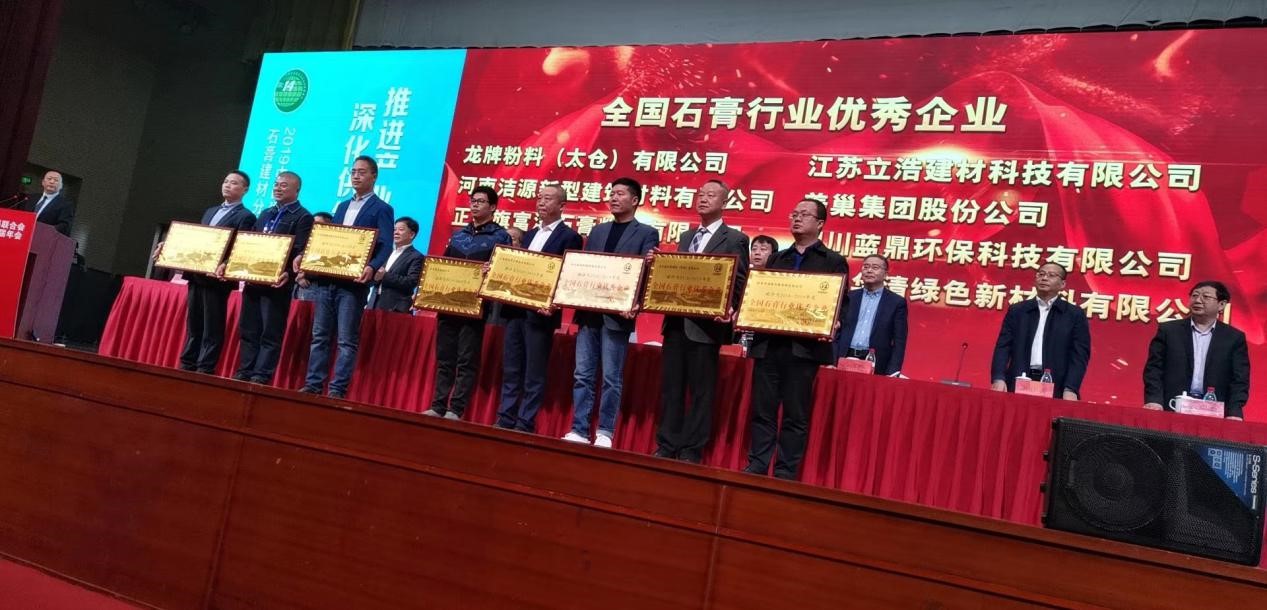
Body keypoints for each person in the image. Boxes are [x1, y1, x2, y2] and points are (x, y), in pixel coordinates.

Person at [744, 198, 847, 479]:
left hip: (804, 350)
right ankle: (757, 465)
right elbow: (762, 296)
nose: (797, 218)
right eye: (794, 213)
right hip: (769, 345)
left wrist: (834, 321)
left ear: (820, 224)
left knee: (795, 414)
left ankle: (785, 472)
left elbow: (841, 303)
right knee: (762, 410)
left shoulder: (833, 261)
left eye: (804, 214)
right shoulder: (778, 258)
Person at [654, 179, 749, 463]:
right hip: (676, 323)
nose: (703, 199)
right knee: (671, 387)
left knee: (700, 391)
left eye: (711, 195)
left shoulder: (735, 238)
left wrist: (731, 308)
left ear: (724, 203)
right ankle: (667, 444)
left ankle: (691, 449)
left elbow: (739, 279)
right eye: (701, 194)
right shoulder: (686, 236)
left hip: (706, 327)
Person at [562, 177, 659, 447]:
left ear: (635, 200)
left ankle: (605, 431)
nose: (613, 198)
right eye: (611, 193)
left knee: (611, 377)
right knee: (582, 373)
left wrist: (636, 304)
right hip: (590, 311)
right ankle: (579, 429)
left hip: (618, 315)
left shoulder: (646, 233)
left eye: (620, 194)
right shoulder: (598, 231)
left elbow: (646, 273)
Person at [298, 156, 394, 399]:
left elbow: (385, 244)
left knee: (346, 340)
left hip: (353, 284)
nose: (356, 176)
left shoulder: (382, 208)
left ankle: (337, 389)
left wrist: (372, 266)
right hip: (328, 279)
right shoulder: (341, 207)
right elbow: (330, 241)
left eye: (362, 172)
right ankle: (313, 384)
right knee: (320, 336)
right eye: (353, 172)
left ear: (374, 176)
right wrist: (309, 259)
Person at [496, 184, 583, 432]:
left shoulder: (570, 237)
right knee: (512, 367)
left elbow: (568, 275)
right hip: (516, 309)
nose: (541, 202)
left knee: (534, 372)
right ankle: (505, 418)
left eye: (548, 198)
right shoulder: (530, 234)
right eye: (539, 198)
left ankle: (525, 422)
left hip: (541, 314)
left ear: (562, 205)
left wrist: (555, 303)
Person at [424, 186, 511, 420]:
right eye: (473, 200)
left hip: (475, 307)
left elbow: (504, 272)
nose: (475, 205)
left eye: (481, 201)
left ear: (493, 207)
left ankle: (456, 408)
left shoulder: (501, 236)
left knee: (466, 359)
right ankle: (438, 405)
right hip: (448, 303)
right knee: (445, 357)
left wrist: (492, 270)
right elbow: (443, 266)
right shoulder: (458, 235)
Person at [229, 171, 312, 384]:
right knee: (249, 328)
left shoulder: (303, 217)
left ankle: (261, 375)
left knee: (270, 331)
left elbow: (301, 250)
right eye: (276, 184)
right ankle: (245, 370)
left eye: (283, 185)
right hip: (254, 280)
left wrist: (289, 274)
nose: (277, 188)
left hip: (277, 284)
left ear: (296, 190)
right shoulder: (266, 213)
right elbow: (250, 243)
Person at [171, 170, 257, 374]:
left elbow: (241, 247)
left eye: (234, 183)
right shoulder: (210, 211)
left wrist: (225, 264)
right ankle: (187, 362)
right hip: (197, 274)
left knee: (212, 325)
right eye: (226, 181)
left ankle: (205, 366)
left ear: (245, 190)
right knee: (194, 323)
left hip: (217, 279)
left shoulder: (246, 216)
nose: (228, 185)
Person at [1143, 280, 1250, 420]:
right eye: (1194, 295)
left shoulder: (1233, 338)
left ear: (1221, 305)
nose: (1198, 300)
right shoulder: (1169, 331)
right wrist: (1154, 400)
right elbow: (1154, 370)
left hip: (1214, 413)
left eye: (1206, 296)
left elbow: (1239, 380)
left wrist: (1234, 412)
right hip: (1171, 407)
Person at [989, 261, 1091, 400]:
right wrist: (998, 377)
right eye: (1041, 274)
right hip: (1018, 380)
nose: (1044, 278)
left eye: (1051, 275)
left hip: (1056, 385)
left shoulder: (1073, 314)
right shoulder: (1018, 310)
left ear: (1062, 284)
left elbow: (1079, 356)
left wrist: (1071, 388)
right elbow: (1003, 347)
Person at [834, 254, 908, 375]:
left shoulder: (896, 302)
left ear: (885, 274)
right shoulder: (849, 297)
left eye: (875, 267)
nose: (869, 270)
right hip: (844, 357)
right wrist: (832, 361)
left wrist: (893, 372)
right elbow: (837, 332)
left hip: (875, 362)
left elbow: (899, 342)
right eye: (866, 266)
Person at [368, 217, 424, 313]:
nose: (396, 232)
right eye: (394, 229)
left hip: (396, 308)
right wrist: (374, 277)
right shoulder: (386, 252)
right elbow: (377, 277)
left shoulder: (417, 256)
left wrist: (385, 276)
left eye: (401, 229)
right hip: (374, 303)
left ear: (411, 234)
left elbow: (411, 282)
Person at [294, 212, 333, 301]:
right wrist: (299, 275)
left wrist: (305, 274)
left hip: (318, 289)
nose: (314, 228)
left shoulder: (331, 247)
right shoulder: (305, 242)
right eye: (312, 225)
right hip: (299, 289)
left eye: (318, 225)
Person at [26, 170, 74, 236]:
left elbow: (65, 225)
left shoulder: (66, 204)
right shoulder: (31, 197)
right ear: (43, 182)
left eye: (56, 180)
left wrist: (45, 230)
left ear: (61, 186)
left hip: (44, 237)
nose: (52, 182)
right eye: (49, 179)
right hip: (24, 233)